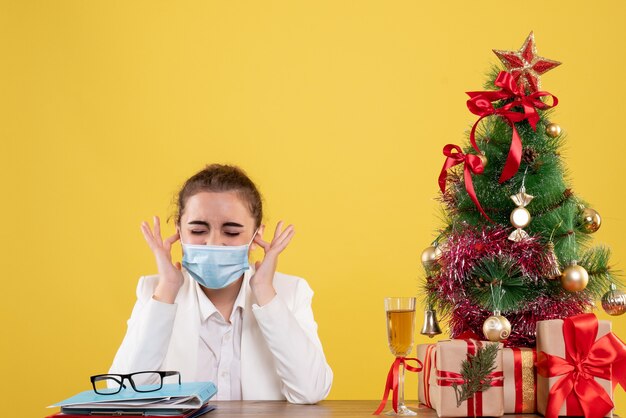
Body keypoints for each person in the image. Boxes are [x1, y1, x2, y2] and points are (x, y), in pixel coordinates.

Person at [109, 164, 333, 404]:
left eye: (232, 232)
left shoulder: (290, 293)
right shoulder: (154, 292)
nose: (213, 243)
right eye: (197, 230)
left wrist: (265, 292)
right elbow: (123, 394)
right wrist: (167, 289)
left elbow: (311, 391)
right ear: (179, 231)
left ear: (256, 235)